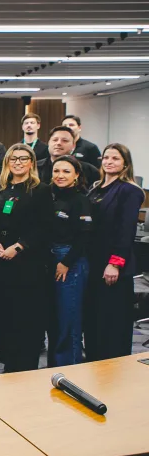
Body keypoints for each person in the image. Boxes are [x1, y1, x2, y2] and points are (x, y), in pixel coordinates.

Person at [0, 144, 53, 372]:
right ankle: (8, 362)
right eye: (13, 159)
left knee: (25, 316)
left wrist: (20, 246)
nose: (18, 162)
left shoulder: (40, 189)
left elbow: (44, 226)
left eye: (23, 158)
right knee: (3, 312)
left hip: (26, 263)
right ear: (7, 163)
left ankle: (24, 365)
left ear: (32, 162)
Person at [85, 143, 144, 361]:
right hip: (93, 259)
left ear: (125, 164)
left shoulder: (129, 190)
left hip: (113, 264)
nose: (109, 162)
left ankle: (113, 365)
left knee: (113, 319)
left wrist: (115, 263)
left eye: (115, 158)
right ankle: (93, 360)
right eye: (106, 157)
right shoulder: (96, 187)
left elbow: (126, 230)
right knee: (94, 316)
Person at [47, 155, 92, 367]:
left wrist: (66, 262)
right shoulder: (49, 195)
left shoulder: (80, 199)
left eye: (66, 171)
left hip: (70, 261)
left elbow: (84, 236)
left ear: (76, 175)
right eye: (56, 171)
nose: (60, 175)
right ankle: (55, 368)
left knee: (69, 319)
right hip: (50, 257)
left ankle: (71, 371)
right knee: (55, 320)